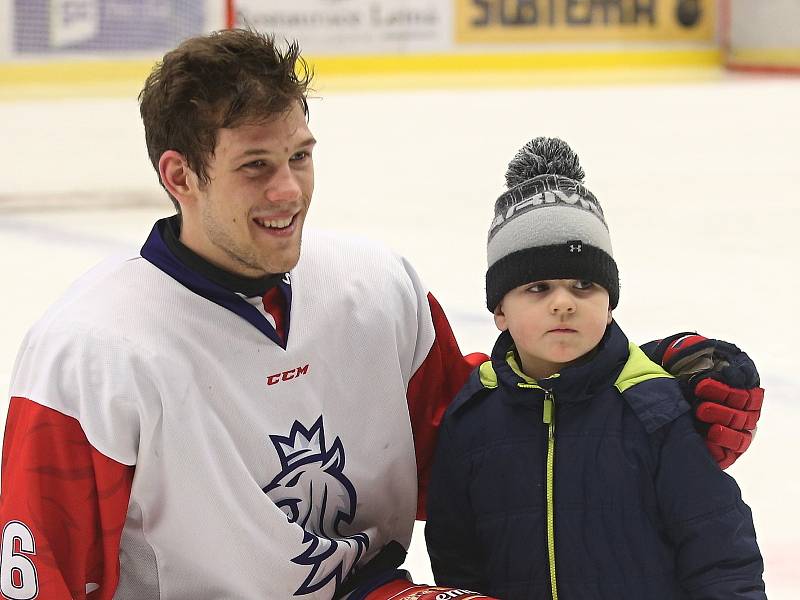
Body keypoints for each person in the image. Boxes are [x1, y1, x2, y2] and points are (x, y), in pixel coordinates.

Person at [0, 30, 762, 600]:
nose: (289, 191)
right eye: (255, 166)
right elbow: (40, 571)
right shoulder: (91, 352)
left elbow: (481, 435)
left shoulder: (373, 287)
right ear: (180, 176)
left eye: (300, 156)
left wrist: (637, 386)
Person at [424, 137, 766, 599]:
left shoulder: (654, 409)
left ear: (609, 304)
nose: (563, 303)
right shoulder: (473, 419)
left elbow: (721, 554)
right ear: (499, 310)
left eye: (584, 284)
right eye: (538, 287)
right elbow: (457, 562)